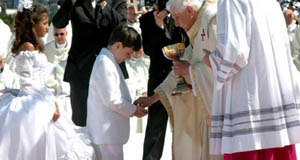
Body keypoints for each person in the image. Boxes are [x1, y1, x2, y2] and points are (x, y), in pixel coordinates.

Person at [204, 0, 300, 159]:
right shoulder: (272, 3)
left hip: (248, 105)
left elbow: (234, 50)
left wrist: (211, 60)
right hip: (276, 105)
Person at [0, 2, 95, 160]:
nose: (47, 27)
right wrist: (51, 104)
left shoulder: (31, 46)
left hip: (38, 98)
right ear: (33, 25)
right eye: (44, 23)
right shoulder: (28, 47)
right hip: (33, 103)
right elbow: (30, 84)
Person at [135, 0, 223, 159]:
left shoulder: (212, 20)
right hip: (207, 113)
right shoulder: (196, 28)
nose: (175, 22)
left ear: (190, 10)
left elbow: (225, 67)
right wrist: (153, 98)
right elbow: (177, 71)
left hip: (219, 114)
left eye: (177, 17)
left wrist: (190, 70)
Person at [52, 0, 128, 126]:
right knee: (80, 119)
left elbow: (121, 26)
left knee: (108, 120)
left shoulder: (117, 1)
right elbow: (58, 22)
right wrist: (70, 3)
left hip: (109, 69)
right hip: (80, 69)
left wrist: (104, 4)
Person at [87, 25, 147, 160]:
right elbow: (112, 100)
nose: (128, 58)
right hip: (106, 134)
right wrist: (133, 110)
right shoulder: (105, 63)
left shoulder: (109, 61)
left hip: (108, 134)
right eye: (128, 53)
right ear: (118, 45)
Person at [138, 0, 189, 159]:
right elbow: (148, 50)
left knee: (184, 124)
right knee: (155, 126)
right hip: (158, 78)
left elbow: (183, 44)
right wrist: (158, 25)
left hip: (181, 75)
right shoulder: (146, 20)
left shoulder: (180, 15)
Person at [44, 27, 72, 118]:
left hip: (66, 88)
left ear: (66, 34)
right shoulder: (47, 48)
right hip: (50, 86)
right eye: (56, 34)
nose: (59, 37)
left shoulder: (72, 48)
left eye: (62, 34)